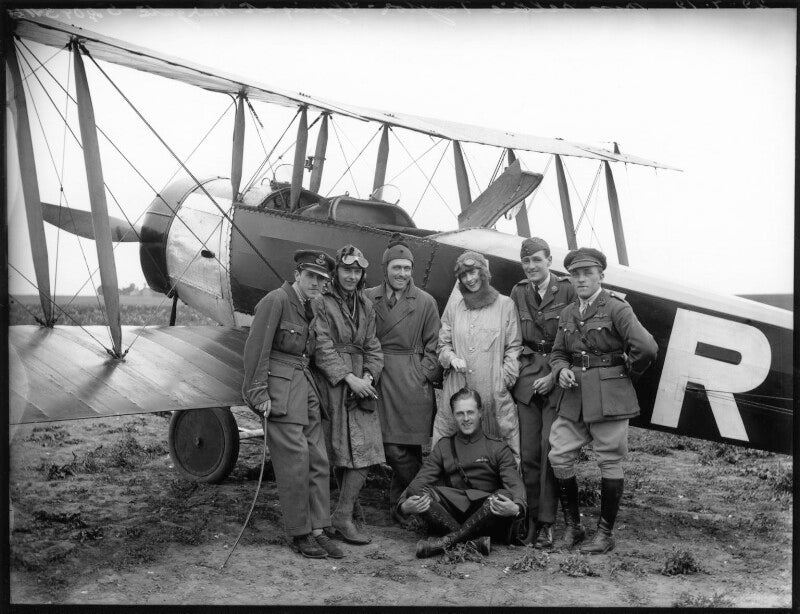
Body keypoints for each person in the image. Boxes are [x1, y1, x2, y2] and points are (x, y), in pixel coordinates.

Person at [548, 247, 658, 554]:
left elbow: (646, 348)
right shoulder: (569, 312)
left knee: (609, 459)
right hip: (574, 397)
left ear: (600, 276)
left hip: (609, 397)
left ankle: (605, 534)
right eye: (576, 274)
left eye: (588, 273)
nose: (581, 279)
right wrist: (561, 370)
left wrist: (623, 377)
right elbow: (558, 352)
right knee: (559, 453)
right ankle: (574, 527)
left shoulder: (616, 308)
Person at [241, 249, 343, 559]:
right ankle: (300, 533)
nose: (316, 283)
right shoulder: (277, 300)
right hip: (280, 389)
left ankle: (318, 528)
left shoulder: (310, 305)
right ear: (297, 274)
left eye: (322, 279)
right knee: (295, 462)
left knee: (318, 458)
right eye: (311, 276)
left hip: (304, 385)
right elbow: (256, 348)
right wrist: (258, 393)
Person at [364, 236, 442, 524]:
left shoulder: (425, 301)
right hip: (379, 377)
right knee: (390, 446)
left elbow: (435, 344)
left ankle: (407, 506)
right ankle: (422, 500)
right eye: (396, 267)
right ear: (385, 268)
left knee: (406, 447)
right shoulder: (368, 297)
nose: (402, 274)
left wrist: (422, 373)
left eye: (407, 268)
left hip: (411, 382)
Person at [398, 387, 526, 558]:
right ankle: (473, 542)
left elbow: (515, 484)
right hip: (449, 511)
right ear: (453, 415)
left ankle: (445, 542)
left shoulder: (497, 447)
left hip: (484, 511)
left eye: (470, 412)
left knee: (503, 496)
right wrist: (403, 506)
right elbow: (418, 482)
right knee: (420, 493)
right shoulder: (444, 446)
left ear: (480, 412)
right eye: (460, 413)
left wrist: (516, 508)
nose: (466, 419)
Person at [312, 244, 384, 545]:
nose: (352, 275)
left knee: (367, 451)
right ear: (336, 271)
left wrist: (368, 376)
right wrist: (349, 378)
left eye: (357, 271)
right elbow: (322, 346)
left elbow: (373, 346)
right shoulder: (321, 302)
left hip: (361, 383)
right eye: (346, 269)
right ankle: (338, 516)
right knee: (337, 450)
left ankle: (342, 515)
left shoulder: (366, 305)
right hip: (332, 383)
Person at [509, 237, 577, 549]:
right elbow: (514, 338)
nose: (532, 266)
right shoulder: (519, 291)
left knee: (551, 450)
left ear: (549, 260)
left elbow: (577, 341)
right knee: (529, 453)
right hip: (526, 380)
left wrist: (553, 375)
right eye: (526, 262)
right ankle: (530, 517)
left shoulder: (567, 289)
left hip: (557, 379)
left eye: (537, 260)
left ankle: (547, 523)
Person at [433, 251, 522, 461]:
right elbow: (442, 344)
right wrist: (451, 358)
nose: (469, 279)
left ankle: (505, 491)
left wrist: (504, 379)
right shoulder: (455, 307)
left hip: (493, 389)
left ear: (484, 272)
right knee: (447, 438)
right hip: (457, 386)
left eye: (473, 272)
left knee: (501, 441)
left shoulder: (505, 305)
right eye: (464, 275)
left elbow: (514, 346)